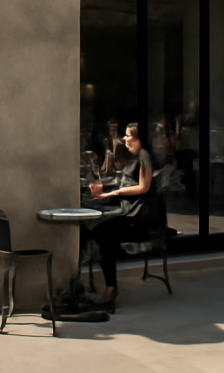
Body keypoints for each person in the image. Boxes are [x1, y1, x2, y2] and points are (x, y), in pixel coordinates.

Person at [83, 123, 157, 309]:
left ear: (138, 138)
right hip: (130, 213)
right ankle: (109, 282)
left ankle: (111, 287)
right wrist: (106, 190)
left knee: (103, 233)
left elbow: (144, 186)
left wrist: (114, 193)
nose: (125, 139)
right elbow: (118, 179)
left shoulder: (144, 156)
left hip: (139, 219)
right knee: (100, 232)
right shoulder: (134, 158)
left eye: (128, 136)